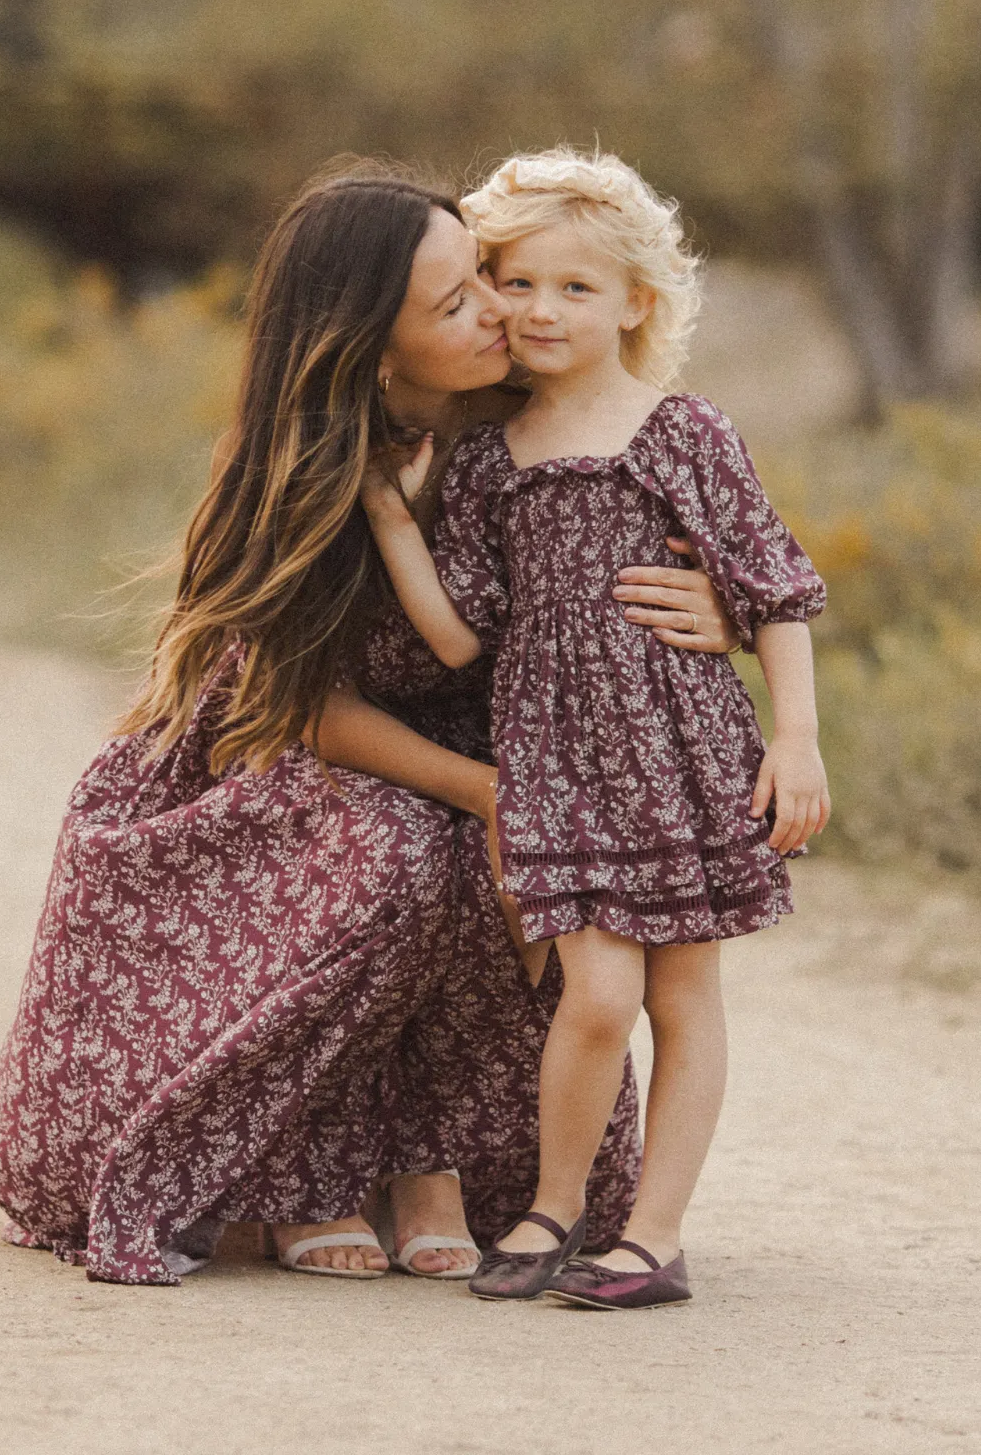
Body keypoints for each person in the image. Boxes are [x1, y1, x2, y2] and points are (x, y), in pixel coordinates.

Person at [0, 160, 738, 1286]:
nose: (499, 310)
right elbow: (296, 709)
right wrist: (485, 789)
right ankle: (308, 1164)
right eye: (457, 303)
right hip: (286, 757)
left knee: (509, 863)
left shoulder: (535, 419)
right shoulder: (306, 467)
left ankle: (432, 1158)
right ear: (376, 349)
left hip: (488, 744)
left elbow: (643, 562)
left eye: (483, 275)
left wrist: (715, 607)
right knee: (402, 852)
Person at [362, 147, 830, 1309]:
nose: (541, 310)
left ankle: (654, 1235)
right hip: (558, 764)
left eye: (577, 288)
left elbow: (773, 590)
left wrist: (798, 739)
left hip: (682, 753)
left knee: (682, 995)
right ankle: (552, 1207)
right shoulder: (484, 460)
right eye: (515, 283)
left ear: (637, 302)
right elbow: (463, 636)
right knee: (597, 998)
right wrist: (388, 514)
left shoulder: (684, 432)